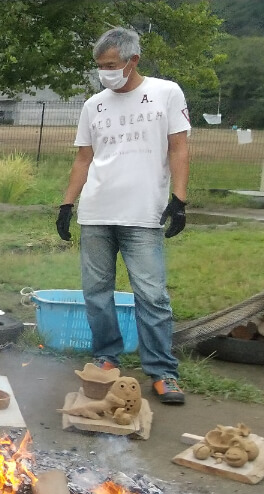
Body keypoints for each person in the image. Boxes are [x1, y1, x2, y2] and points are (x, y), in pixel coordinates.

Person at [56, 27, 190, 405]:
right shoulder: (93, 105)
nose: (105, 72)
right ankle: (106, 357)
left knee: (152, 294)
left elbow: (178, 148)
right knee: (96, 293)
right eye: (100, 66)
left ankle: (163, 372)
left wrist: (179, 199)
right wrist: (67, 204)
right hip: (97, 212)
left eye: (111, 65)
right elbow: (84, 158)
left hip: (143, 215)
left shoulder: (166, 93)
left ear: (133, 61)